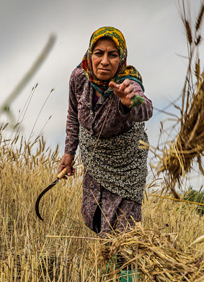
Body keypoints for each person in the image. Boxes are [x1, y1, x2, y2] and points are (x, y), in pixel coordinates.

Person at [58, 26, 153, 237]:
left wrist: (130, 102)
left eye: (113, 55)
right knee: (97, 220)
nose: (105, 61)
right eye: (99, 53)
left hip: (126, 168)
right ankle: (106, 267)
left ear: (121, 58)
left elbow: (145, 107)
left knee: (124, 237)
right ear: (90, 54)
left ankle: (124, 270)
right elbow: (73, 115)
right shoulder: (78, 77)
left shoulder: (128, 82)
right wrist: (69, 153)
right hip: (96, 163)